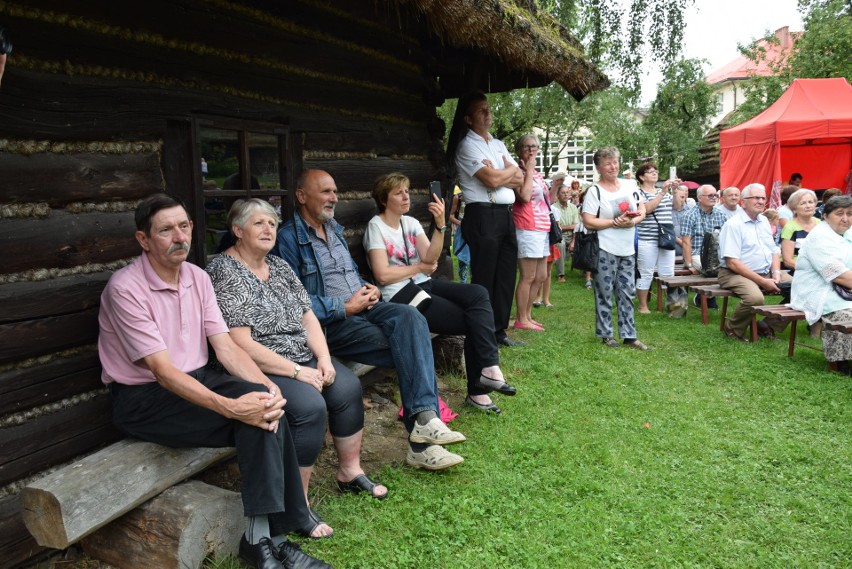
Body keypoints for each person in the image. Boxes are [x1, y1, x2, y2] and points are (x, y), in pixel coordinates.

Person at [97, 194, 331, 569]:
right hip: (143, 398)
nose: (180, 236)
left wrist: (268, 388)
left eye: (185, 226)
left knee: (265, 409)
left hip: (198, 377)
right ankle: (270, 539)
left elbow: (225, 347)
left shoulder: (197, 277)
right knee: (251, 417)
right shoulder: (126, 288)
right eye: (166, 230)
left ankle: (264, 539)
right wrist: (230, 406)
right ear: (144, 240)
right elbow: (162, 371)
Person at [274, 170, 466, 471]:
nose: (334, 198)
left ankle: (425, 423)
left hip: (367, 305)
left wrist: (370, 286)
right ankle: (422, 441)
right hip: (334, 323)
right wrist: (344, 306)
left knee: (411, 317)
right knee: (413, 348)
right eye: (325, 192)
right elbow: (292, 301)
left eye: (335, 191)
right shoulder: (287, 239)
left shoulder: (334, 230)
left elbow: (349, 274)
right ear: (301, 196)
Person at [207, 199, 388, 517]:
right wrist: (296, 372)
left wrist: (324, 358)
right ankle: (298, 503)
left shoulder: (278, 267)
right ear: (237, 230)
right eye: (259, 223)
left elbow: (308, 318)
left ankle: (349, 471)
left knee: (346, 387)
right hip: (257, 366)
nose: (269, 229)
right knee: (308, 405)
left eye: (273, 224)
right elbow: (240, 344)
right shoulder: (224, 271)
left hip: (300, 356)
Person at [364, 173, 517, 415]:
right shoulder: (376, 226)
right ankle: (479, 390)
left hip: (424, 284)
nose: (406, 196)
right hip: (401, 295)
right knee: (473, 320)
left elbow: (431, 258)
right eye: (398, 193)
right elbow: (382, 275)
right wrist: (419, 268)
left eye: (407, 191)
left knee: (478, 293)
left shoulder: (411, 223)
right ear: (384, 200)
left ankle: (489, 367)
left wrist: (440, 224)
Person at [446, 91, 525, 347]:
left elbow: (520, 178)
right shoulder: (467, 146)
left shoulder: (498, 144)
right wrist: (507, 171)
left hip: (504, 215)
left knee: (505, 274)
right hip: (483, 214)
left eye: (488, 109)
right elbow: (490, 179)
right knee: (485, 275)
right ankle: (482, 330)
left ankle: (499, 330)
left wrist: (505, 171)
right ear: (468, 119)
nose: (488, 113)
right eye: (481, 110)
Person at [581, 147, 651, 350]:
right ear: (598, 168)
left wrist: (634, 220)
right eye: (607, 163)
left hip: (628, 248)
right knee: (604, 291)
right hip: (605, 248)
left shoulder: (629, 185)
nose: (613, 166)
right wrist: (614, 223)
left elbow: (642, 208)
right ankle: (606, 334)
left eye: (615, 162)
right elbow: (588, 221)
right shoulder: (595, 191)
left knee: (627, 291)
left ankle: (630, 335)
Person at [718, 183, 792, 342]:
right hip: (733, 274)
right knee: (755, 298)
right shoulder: (733, 225)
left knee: (802, 289)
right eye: (756, 198)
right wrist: (763, 282)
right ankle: (733, 329)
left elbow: (774, 250)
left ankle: (766, 324)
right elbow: (732, 263)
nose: (760, 201)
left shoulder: (764, 221)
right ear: (743, 202)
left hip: (766, 272)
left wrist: (777, 274)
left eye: (763, 198)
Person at [790, 195, 852, 373]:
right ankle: (839, 361)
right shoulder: (820, 238)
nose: (845, 218)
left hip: (844, 288)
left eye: (849, 213)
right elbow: (838, 276)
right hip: (817, 290)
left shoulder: (847, 233)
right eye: (839, 214)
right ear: (825, 216)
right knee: (843, 313)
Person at [511, 134, 550, 330]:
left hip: (542, 227)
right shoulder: (517, 172)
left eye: (534, 146)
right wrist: (529, 170)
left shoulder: (536, 174)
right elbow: (524, 197)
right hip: (527, 226)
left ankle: (528, 315)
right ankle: (521, 318)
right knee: (528, 275)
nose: (531, 150)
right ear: (519, 150)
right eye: (527, 147)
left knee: (541, 276)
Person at [634, 162, 677, 314]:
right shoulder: (638, 193)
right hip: (647, 238)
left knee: (668, 272)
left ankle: (672, 306)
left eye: (655, 171)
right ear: (641, 177)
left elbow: (677, 206)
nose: (654, 173)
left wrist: (675, 191)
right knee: (646, 272)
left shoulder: (663, 191)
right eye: (650, 172)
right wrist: (663, 193)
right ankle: (643, 305)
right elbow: (646, 209)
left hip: (666, 237)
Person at [682, 185, 729, 308]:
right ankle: (707, 296)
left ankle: (706, 296)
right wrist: (689, 265)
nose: (714, 198)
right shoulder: (689, 215)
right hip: (697, 253)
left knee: (727, 268)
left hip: (717, 253)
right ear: (700, 198)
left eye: (715, 195)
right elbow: (686, 241)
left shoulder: (721, 215)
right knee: (712, 269)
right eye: (710, 195)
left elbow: (726, 238)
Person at [780, 188, 820, 273]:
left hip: (821, 268)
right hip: (799, 271)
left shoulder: (819, 223)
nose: (808, 206)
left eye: (810, 202)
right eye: (803, 203)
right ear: (794, 208)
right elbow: (788, 261)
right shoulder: (790, 227)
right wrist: (812, 271)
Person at [551, 184, 579, 283]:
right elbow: (556, 228)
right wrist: (569, 227)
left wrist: (573, 241)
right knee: (560, 244)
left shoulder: (573, 207)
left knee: (586, 241)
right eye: (563, 193)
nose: (566, 195)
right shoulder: (553, 208)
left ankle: (586, 271)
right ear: (557, 195)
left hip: (573, 235)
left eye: (567, 192)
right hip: (559, 236)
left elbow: (576, 226)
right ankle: (561, 274)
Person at [448, 185, 470, 283]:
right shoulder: (458, 197)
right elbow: (450, 215)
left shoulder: (478, 196)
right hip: (463, 232)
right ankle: (463, 284)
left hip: (477, 231)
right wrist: (461, 223)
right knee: (463, 260)